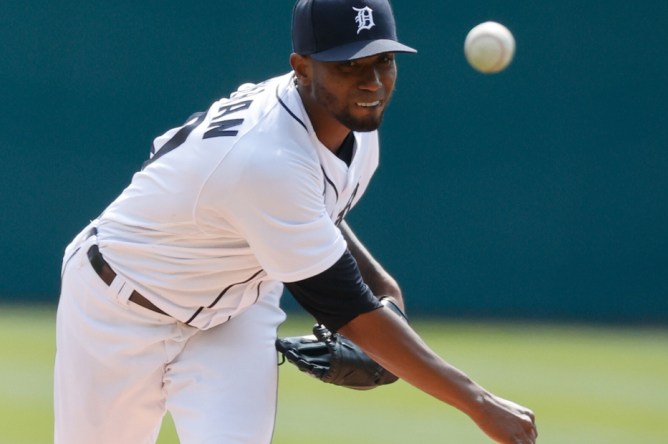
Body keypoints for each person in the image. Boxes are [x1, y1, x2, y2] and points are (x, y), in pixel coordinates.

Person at [54, 0, 538, 442]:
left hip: (234, 310)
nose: (371, 82)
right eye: (349, 65)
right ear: (302, 68)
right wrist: (478, 403)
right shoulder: (265, 158)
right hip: (118, 306)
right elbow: (348, 308)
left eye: (382, 61)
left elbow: (314, 216)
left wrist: (388, 293)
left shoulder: (352, 122)